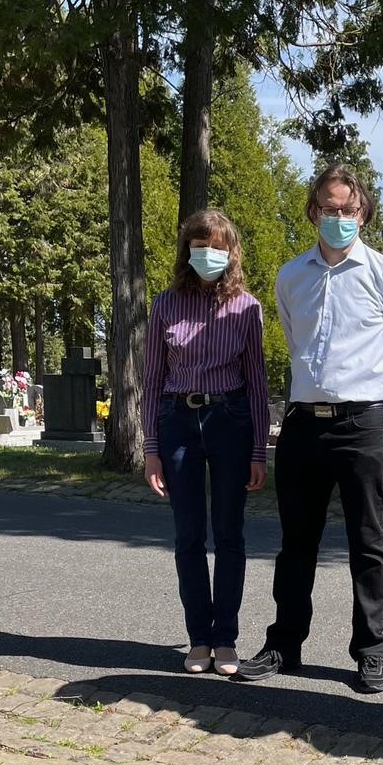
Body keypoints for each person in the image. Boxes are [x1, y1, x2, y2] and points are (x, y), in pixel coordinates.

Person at [235, 166, 383, 693]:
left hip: (364, 424)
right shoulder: (291, 276)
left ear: (362, 213)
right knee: (296, 543)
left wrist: (374, 403)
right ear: (313, 211)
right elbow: (296, 341)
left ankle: (369, 650)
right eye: (328, 208)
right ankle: (284, 644)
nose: (339, 217)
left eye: (349, 209)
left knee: (369, 542)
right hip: (303, 427)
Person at [142, 209, 269, 676]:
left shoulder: (247, 308)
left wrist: (259, 449)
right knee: (189, 535)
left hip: (230, 419)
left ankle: (226, 638)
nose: (208, 254)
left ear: (231, 252)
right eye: (200, 246)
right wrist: (150, 448)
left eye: (217, 246)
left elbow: (257, 382)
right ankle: (199, 638)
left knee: (230, 534)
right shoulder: (165, 305)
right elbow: (152, 380)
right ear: (186, 251)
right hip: (177, 420)